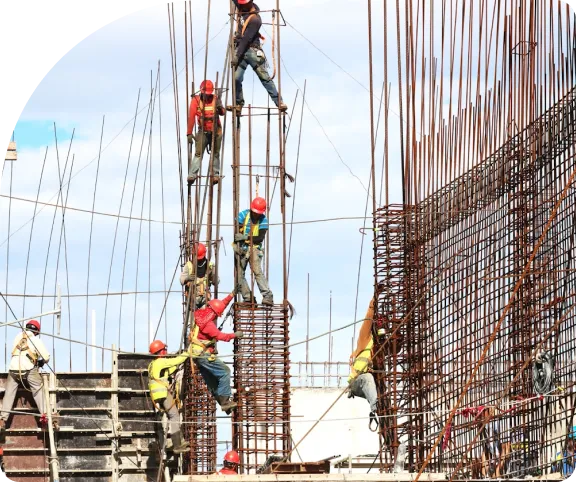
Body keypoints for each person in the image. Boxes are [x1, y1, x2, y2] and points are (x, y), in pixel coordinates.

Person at [189, 294, 244, 414]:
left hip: (197, 355)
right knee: (225, 372)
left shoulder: (200, 314)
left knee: (213, 382)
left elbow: (219, 306)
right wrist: (235, 335)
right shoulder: (208, 325)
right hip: (204, 355)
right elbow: (221, 336)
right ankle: (225, 402)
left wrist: (231, 295)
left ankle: (224, 404)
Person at [230, 0, 287, 113]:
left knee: (264, 78)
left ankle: (279, 102)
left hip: (251, 51)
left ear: (250, 3)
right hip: (241, 50)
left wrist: (237, 56)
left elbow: (246, 40)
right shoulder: (242, 8)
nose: (241, 6)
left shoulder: (255, 20)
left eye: (243, 4)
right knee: (236, 78)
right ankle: (238, 103)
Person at [0, 319, 58, 431]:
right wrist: (41, 362)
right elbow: (46, 356)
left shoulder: (18, 337)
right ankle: (46, 415)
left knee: (9, 394)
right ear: (37, 331)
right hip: (28, 369)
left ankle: (2, 419)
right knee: (38, 390)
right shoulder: (35, 340)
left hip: (13, 370)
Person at [147, 340, 190, 454]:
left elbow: (167, 371)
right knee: (174, 416)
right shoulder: (161, 361)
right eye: (164, 349)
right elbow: (177, 360)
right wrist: (188, 352)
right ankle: (177, 445)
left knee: (172, 415)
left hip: (156, 395)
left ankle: (180, 441)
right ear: (160, 352)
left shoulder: (152, 364)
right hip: (162, 393)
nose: (166, 351)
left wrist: (177, 367)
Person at [233, 197, 273, 306]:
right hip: (242, 248)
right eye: (255, 212)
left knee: (257, 271)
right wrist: (238, 241)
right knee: (239, 275)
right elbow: (236, 232)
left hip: (254, 248)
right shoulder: (243, 215)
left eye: (258, 213)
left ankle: (267, 296)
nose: (256, 215)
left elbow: (260, 238)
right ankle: (248, 298)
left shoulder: (263, 220)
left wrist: (244, 237)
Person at [347, 298, 379, 430]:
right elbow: (368, 320)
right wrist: (373, 303)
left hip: (371, 386)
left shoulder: (381, 346)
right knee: (367, 378)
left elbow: (397, 346)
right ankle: (375, 407)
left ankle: (378, 409)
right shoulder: (366, 339)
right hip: (357, 382)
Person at [187, 80, 226, 185]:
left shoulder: (215, 99)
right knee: (198, 153)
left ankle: (215, 175)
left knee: (216, 153)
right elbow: (191, 117)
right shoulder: (195, 100)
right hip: (203, 131)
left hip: (216, 130)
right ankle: (192, 175)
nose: (207, 96)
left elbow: (223, 112)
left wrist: (220, 108)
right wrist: (189, 133)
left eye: (209, 94)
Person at [180, 242, 217, 309]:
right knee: (192, 318)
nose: (199, 260)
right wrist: (187, 278)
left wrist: (213, 276)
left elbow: (216, 281)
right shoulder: (189, 265)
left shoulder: (210, 265)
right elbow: (182, 280)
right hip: (192, 298)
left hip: (205, 298)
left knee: (204, 317)